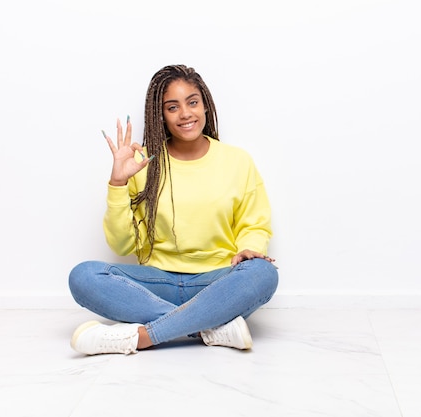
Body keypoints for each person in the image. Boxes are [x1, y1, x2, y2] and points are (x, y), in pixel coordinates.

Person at [68, 64, 279, 355]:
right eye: (172, 107)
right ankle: (208, 326)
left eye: (192, 102)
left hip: (217, 281)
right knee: (83, 276)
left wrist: (249, 247)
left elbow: (254, 224)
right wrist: (118, 182)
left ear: (205, 105)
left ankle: (144, 336)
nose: (185, 113)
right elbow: (121, 244)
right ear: (161, 115)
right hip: (157, 282)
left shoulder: (237, 161)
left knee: (263, 274)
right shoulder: (143, 162)